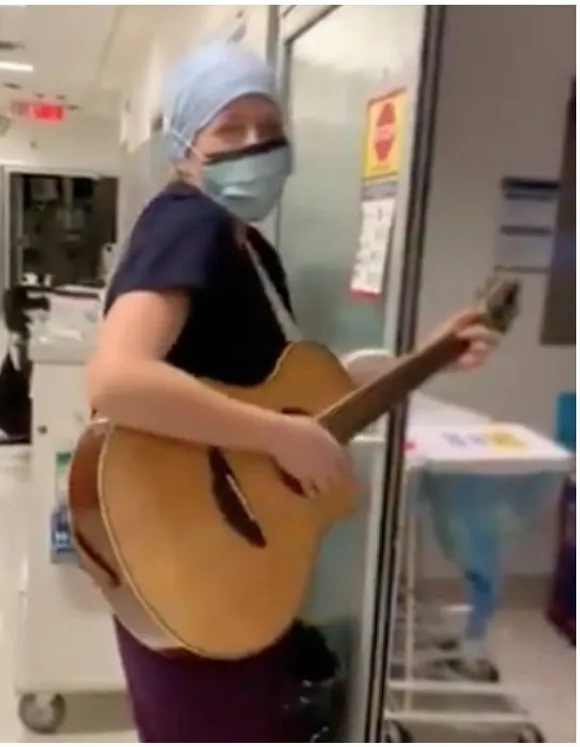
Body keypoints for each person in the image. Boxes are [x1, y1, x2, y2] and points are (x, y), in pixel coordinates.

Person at [86, 41, 501, 743]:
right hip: (190, 553)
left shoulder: (250, 247)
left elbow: (306, 392)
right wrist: (280, 436)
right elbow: (117, 379)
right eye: (230, 129)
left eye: (268, 128)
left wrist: (429, 356)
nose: (255, 144)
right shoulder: (190, 222)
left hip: (223, 559)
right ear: (185, 148)